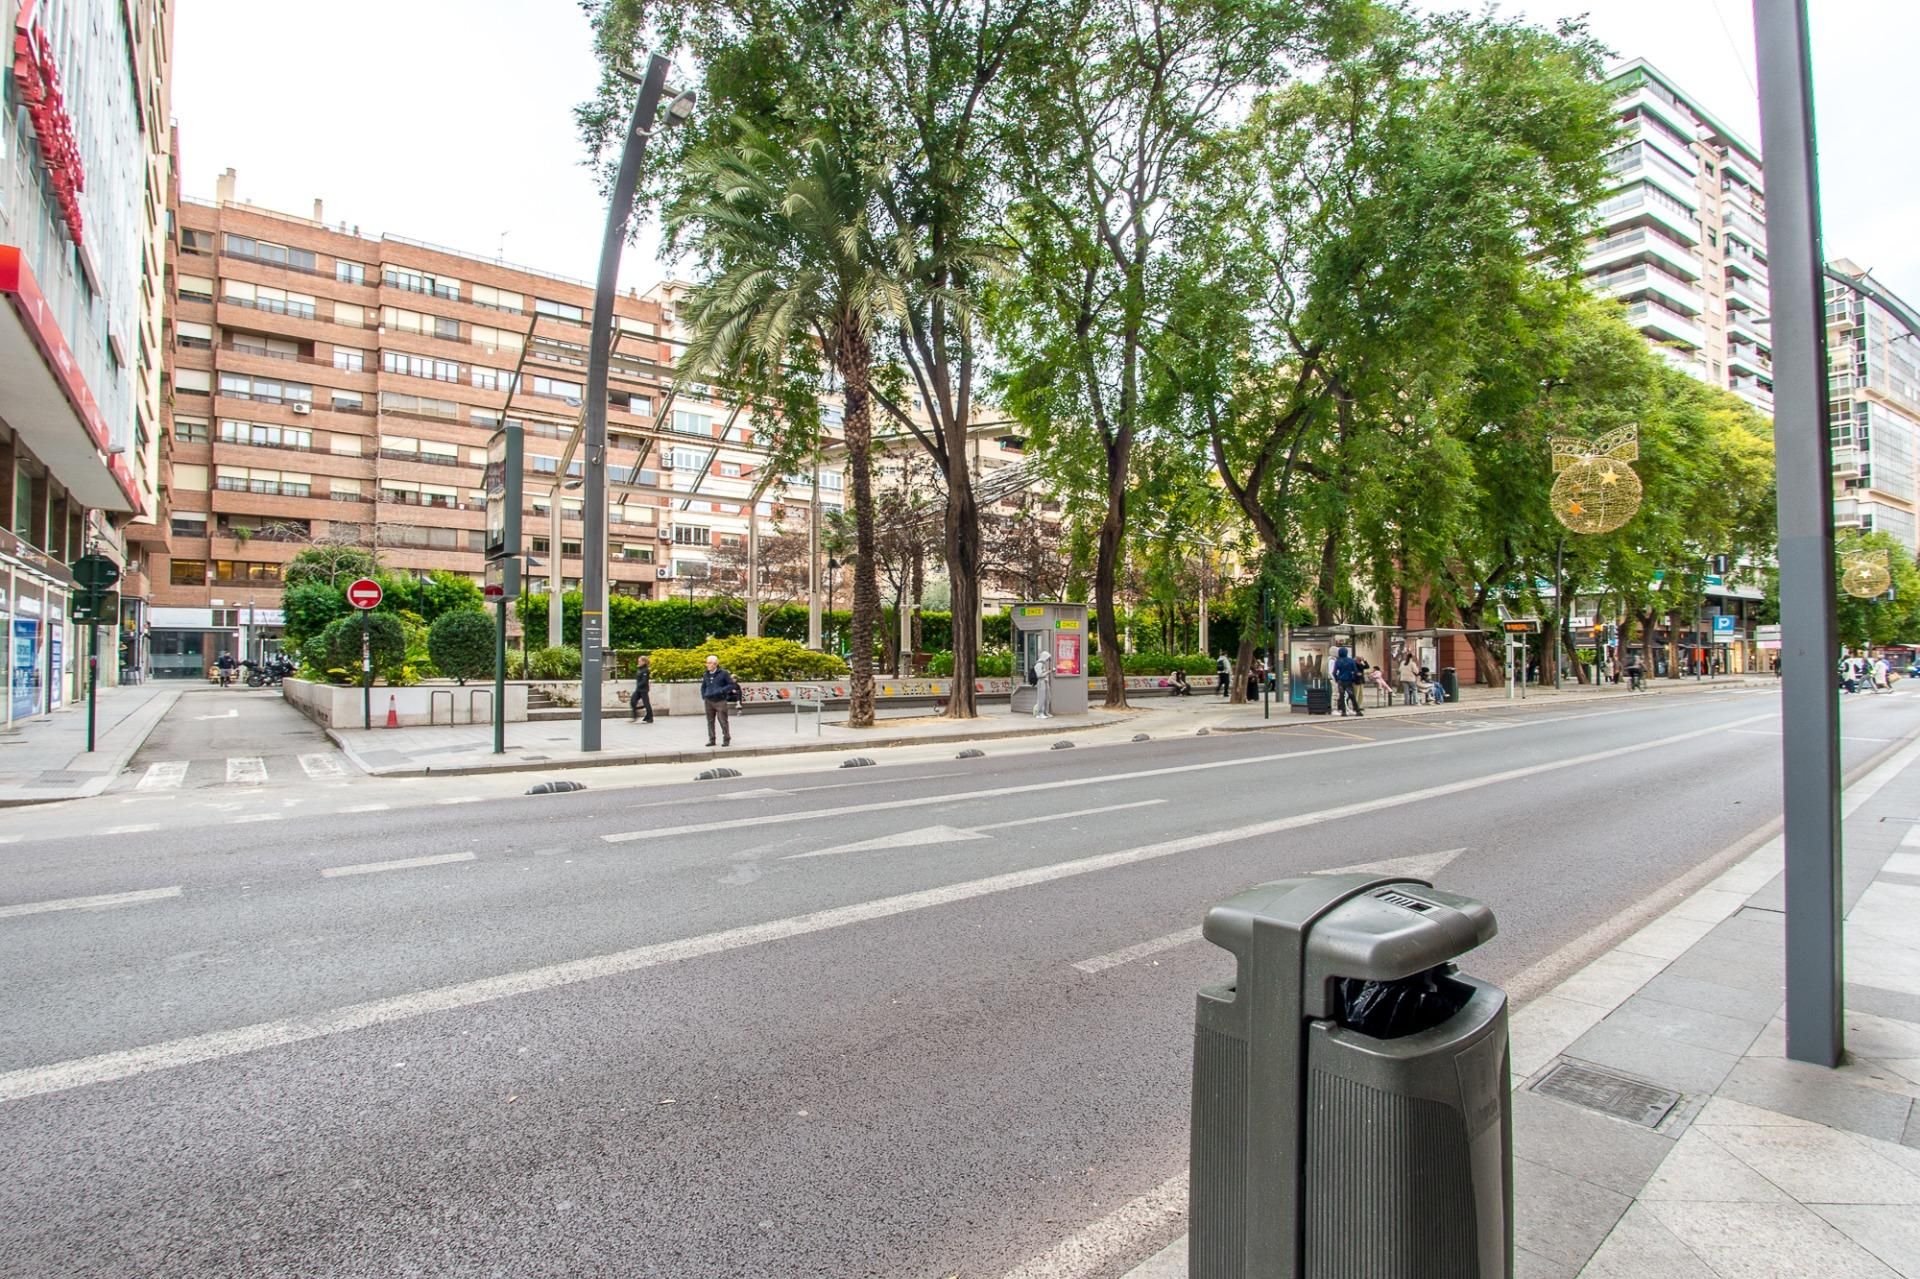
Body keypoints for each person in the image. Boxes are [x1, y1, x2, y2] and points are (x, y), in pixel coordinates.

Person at [699, 654, 739, 747]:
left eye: (709, 663)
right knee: (710, 721)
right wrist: (704, 695)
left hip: (720, 700)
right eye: (707, 663)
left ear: (715, 664)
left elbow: (731, 685)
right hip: (708, 700)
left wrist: (721, 691)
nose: (707, 665)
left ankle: (726, 739)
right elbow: (703, 686)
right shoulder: (706, 674)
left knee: (723, 720)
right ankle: (712, 739)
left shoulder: (723, 673)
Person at [1332, 645, 1363, 717]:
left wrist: (1337, 679)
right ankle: (1357, 710)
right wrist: (1353, 677)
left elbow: (1334, 672)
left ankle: (1343, 712)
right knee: (1352, 696)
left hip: (1341, 680)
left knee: (1341, 696)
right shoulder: (1351, 660)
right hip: (1348, 680)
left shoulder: (1338, 661)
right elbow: (1355, 671)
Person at [629, 654, 654, 723]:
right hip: (638, 689)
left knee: (646, 703)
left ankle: (650, 717)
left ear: (644, 662)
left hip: (643, 689)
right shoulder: (640, 669)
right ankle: (635, 716)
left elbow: (644, 680)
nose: (638, 662)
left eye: (639, 661)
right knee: (633, 701)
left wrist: (639, 686)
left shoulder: (645, 670)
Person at [1032, 647, 1054, 719]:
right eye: (1047, 658)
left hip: (1045, 682)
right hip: (1041, 682)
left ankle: (1046, 712)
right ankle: (1039, 713)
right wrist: (1049, 671)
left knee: (1047, 697)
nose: (1047, 660)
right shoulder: (1039, 664)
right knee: (1041, 698)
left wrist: (1048, 672)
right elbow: (1039, 675)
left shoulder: (1042, 664)